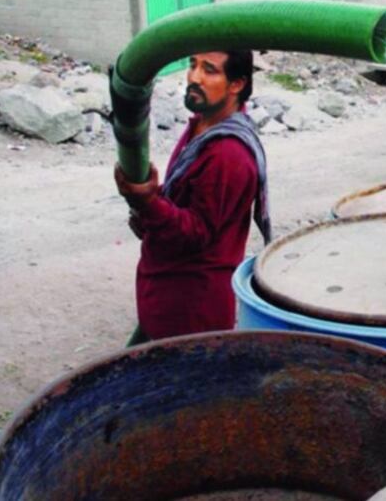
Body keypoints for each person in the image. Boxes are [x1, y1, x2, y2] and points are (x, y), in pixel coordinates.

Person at [114, 49, 271, 344]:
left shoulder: (228, 154)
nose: (193, 77)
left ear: (236, 84)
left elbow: (195, 234)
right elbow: (182, 202)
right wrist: (150, 210)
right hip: (164, 296)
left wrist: (148, 202)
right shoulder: (202, 125)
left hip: (190, 313)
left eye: (209, 70)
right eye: (192, 64)